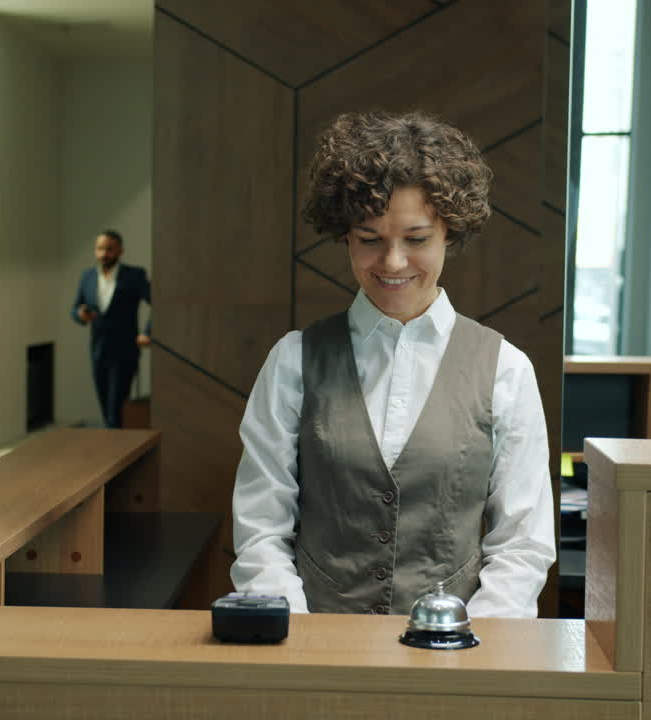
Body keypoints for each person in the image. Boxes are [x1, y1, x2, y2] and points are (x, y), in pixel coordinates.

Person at [230, 111, 555, 617]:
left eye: (417, 239)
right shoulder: (292, 360)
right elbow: (260, 530)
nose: (393, 262)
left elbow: (522, 543)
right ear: (345, 236)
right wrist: (298, 637)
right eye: (370, 239)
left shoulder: (505, 369)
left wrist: (472, 644)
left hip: (457, 650)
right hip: (317, 645)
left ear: (450, 231)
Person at [71, 229, 151, 429]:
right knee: (106, 409)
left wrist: (147, 332)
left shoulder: (134, 275)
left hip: (124, 352)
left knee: (115, 411)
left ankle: (114, 444)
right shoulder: (87, 276)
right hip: (98, 352)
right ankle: (113, 441)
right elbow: (75, 308)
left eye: (109, 249)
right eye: (100, 249)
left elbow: (158, 301)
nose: (104, 254)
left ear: (120, 251)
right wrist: (80, 314)